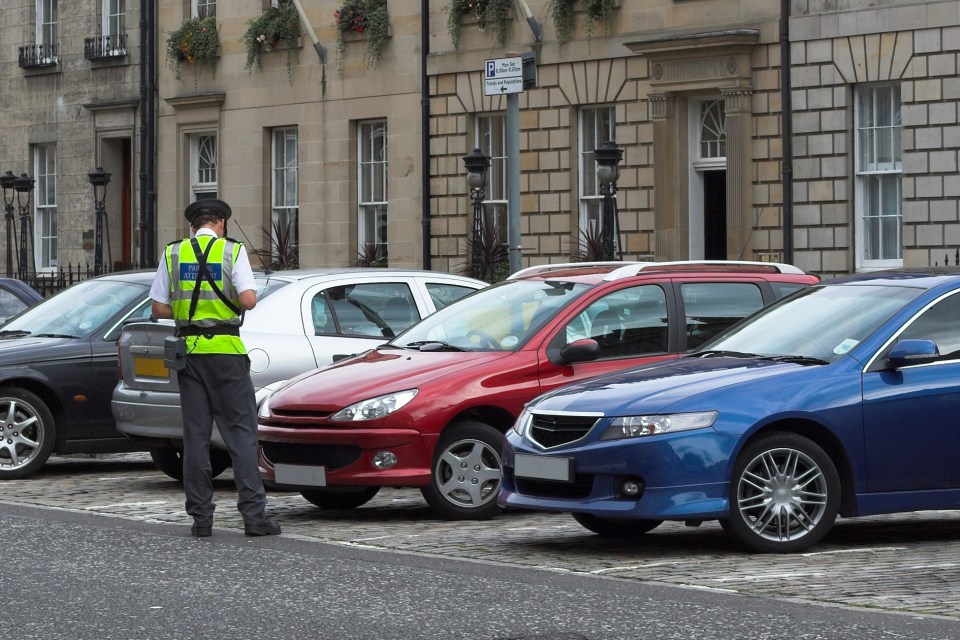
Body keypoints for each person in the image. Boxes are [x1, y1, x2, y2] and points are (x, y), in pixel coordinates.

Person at [150, 198, 281, 538]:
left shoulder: (173, 253)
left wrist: (187, 311)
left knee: (195, 436)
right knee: (241, 434)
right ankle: (254, 518)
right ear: (220, 224)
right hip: (225, 352)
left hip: (189, 352)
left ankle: (201, 519)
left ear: (193, 226)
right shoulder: (232, 251)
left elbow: (159, 308)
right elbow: (249, 301)